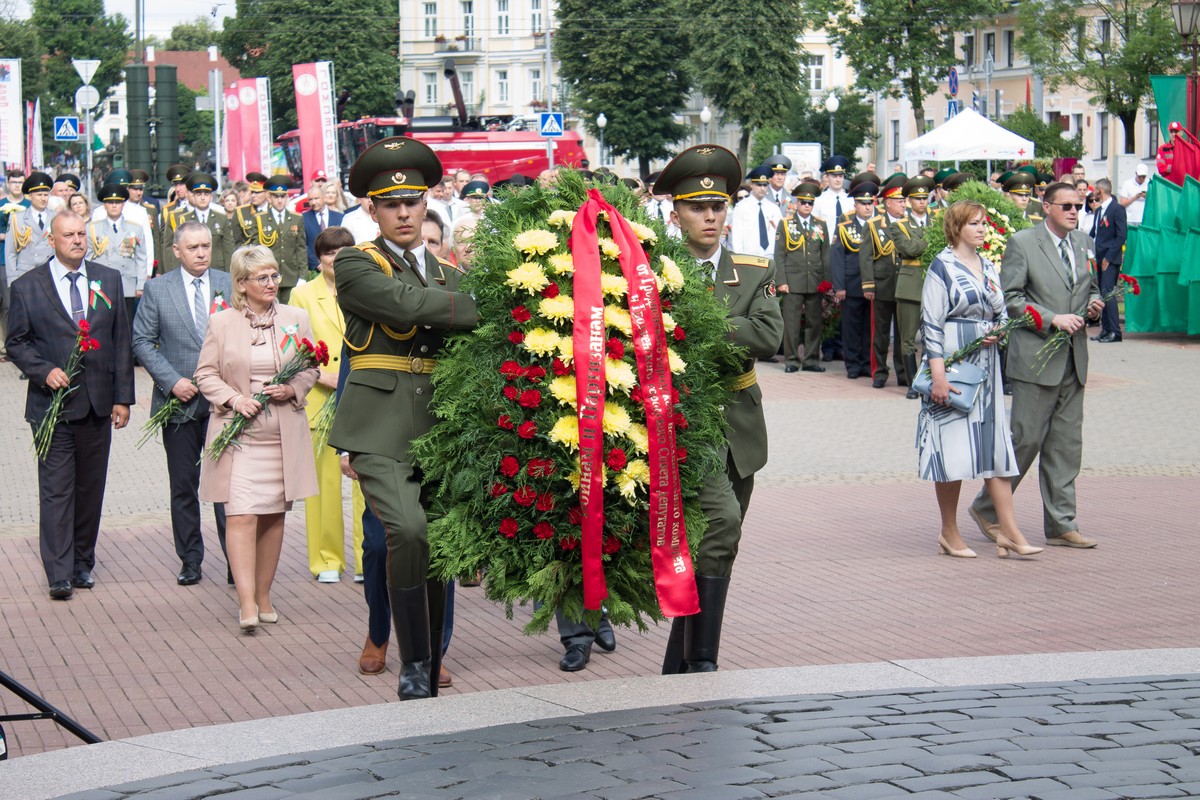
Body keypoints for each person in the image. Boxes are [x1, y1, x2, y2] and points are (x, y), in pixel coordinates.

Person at [327, 136, 476, 700]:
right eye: (391, 203)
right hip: (379, 422)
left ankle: (432, 653)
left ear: (426, 202)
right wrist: (481, 303)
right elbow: (405, 306)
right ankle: (413, 660)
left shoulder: (443, 268)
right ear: (373, 209)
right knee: (407, 530)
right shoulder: (354, 263)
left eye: (413, 200)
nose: (404, 211)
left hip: (439, 420)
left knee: (435, 538)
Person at [653, 144, 783, 674]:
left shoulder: (753, 269)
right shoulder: (653, 274)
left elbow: (770, 336)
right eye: (696, 207)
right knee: (721, 523)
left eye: (718, 207)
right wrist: (731, 330)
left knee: (719, 544)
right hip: (683, 421)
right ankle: (703, 659)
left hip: (740, 422)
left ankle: (678, 661)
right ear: (675, 213)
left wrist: (697, 326)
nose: (710, 217)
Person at [5, 211, 135, 598]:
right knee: (57, 490)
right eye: (69, 235)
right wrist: (43, 371)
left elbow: (120, 341)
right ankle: (58, 572)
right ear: (52, 239)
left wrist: (123, 398)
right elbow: (16, 342)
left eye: (82, 234)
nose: (77, 240)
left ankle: (82, 564)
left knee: (90, 489)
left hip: (97, 403)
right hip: (52, 407)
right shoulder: (27, 286)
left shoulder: (107, 278)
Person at [968, 183, 1104, 549]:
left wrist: (1094, 303)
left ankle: (1061, 522)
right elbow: (1011, 298)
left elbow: (1089, 286)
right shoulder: (1024, 243)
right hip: (1036, 357)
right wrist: (1051, 318)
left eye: (1081, 205)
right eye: (1068, 206)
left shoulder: (1082, 243)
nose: (1076, 211)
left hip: (1073, 358)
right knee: (1025, 440)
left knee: (1065, 445)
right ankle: (987, 508)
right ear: (1046, 207)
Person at [196, 245, 320, 631]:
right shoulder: (222, 323)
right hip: (239, 438)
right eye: (261, 278)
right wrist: (234, 399)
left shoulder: (296, 318)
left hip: (282, 437)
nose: (271, 283)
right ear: (241, 283)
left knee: (272, 518)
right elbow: (205, 375)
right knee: (241, 515)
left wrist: (292, 389)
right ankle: (246, 602)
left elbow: (312, 368)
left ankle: (265, 594)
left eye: (274, 275)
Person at [917, 200, 1042, 559]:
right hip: (954, 367)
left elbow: (1001, 310)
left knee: (994, 449)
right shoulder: (942, 267)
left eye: (984, 223)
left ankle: (1011, 532)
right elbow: (931, 324)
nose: (982, 229)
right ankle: (949, 531)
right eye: (974, 223)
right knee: (952, 449)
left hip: (986, 368)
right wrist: (938, 377)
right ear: (957, 228)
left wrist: (999, 331)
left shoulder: (988, 265)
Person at [132, 221, 232, 586]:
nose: (202, 253)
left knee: (227, 486)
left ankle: (236, 561)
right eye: (193, 248)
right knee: (184, 485)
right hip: (180, 403)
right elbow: (142, 341)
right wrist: (172, 381)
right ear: (176, 251)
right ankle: (190, 559)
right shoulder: (158, 290)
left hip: (224, 403)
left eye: (206, 245)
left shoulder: (228, 283)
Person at [287, 227, 365, 583]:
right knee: (324, 487)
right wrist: (323, 376)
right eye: (330, 253)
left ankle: (368, 559)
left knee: (367, 481)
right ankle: (327, 559)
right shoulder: (303, 295)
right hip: (321, 395)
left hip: (363, 393)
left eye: (344, 251)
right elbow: (295, 346)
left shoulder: (367, 288)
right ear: (319, 260)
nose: (337, 258)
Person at [774, 180, 830, 373]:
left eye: (810, 203)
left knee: (815, 322)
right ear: (796, 204)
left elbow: (826, 254)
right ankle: (791, 359)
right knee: (792, 322)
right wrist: (781, 281)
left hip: (814, 281)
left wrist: (826, 280)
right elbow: (779, 255)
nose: (807, 205)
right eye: (804, 202)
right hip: (793, 281)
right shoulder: (786, 224)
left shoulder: (820, 225)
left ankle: (811, 359)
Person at [861, 173, 909, 389]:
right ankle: (879, 372)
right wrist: (868, 284)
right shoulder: (873, 225)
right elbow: (866, 256)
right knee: (880, 333)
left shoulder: (910, 224)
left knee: (903, 333)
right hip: (882, 285)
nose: (903, 205)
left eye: (904, 201)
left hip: (905, 287)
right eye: (899, 201)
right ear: (888, 202)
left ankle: (903, 372)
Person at [890, 175, 936, 399]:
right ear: (909, 201)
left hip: (934, 284)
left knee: (932, 338)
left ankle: (928, 380)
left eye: (925, 198)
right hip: (909, 287)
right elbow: (908, 248)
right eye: (917, 198)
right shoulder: (898, 225)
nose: (922, 202)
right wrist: (931, 240)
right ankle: (912, 383)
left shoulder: (938, 222)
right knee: (907, 338)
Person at [831, 177, 878, 380]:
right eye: (863, 203)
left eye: (870, 203)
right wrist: (839, 286)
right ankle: (852, 365)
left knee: (870, 328)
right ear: (855, 204)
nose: (867, 208)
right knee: (851, 328)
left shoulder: (879, 225)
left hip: (875, 285)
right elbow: (837, 257)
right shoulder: (844, 225)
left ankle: (867, 363)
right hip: (851, 284)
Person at [84, 183, 146, 331]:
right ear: (104, 205)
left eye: (117, 202)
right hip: (102, 284)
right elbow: (87, 257)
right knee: (103, 326)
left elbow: (141, 258)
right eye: (110, 202)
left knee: (126, 326)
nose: (114, 206)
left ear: (123, 204)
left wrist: (141, 284)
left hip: (127, 284)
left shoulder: (135, 227)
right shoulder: (93, 228)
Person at [163, 173, 235, 273]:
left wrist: (229, 276)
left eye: (206, 194)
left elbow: (228, 250)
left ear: (211, 197)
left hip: (217, 270)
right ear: (193, 196)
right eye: (199, 194)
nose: (202, 198)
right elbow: (175, 251)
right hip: (190, 271)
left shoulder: (221, 218)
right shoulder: (183, 219)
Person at [251, 176, 307, 303]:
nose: (280, 200)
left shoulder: (296, 219)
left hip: (291, 275)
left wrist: (302, 276)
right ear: (269, 197)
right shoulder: (260, 219)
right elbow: (256, 250)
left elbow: (301, 248)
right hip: (268, 275)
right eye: (276, 196)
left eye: (283, 196)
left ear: (287, 197)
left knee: (290, 313)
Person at [1089, 178, 1128, 344]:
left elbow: (1121, 236)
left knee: (1109, 293)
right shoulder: (1099, 211)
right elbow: (1094, 233)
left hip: (1109, 259)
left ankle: (1115, 331)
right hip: (1098, 257)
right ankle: (1105, 330)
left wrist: (1108, 258)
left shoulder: (1117, 209)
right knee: (1101, 294)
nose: (1093, 193)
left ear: (1101, 191)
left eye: (1095, 190)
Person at [5, 172, 58, 284]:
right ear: (30, 196)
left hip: (51, 274)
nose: (43, 199)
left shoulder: (56, 217)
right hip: (25, 275)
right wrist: (12, 280)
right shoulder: (17, 219)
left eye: (45, 195)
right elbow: (10, 252)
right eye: (39, 195)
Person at [729, 166, 781, 259]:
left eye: (765, 185)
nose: (762, 188)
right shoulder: (741, 207)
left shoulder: (774, 208)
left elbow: (779, 234)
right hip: (749, 259)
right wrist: (740, 260)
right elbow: (737, 239)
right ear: (751, 185)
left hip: (771, 258)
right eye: (759, 184)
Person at [302, 186, 344, 270]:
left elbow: (343, 243)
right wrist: (318, 264)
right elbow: (303, 245)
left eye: (316, 198)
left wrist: (335, 261)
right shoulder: (303, 218)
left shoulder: (339, 217)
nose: (313, 202)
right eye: (310, 200)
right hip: (314, 269)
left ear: (324, 197)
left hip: (337, 267)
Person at [812, 156, 851, 226]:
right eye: (834, 176)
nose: (838, 180)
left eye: (840, 176)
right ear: (827, 177)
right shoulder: (819, 200)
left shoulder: (850, 200)